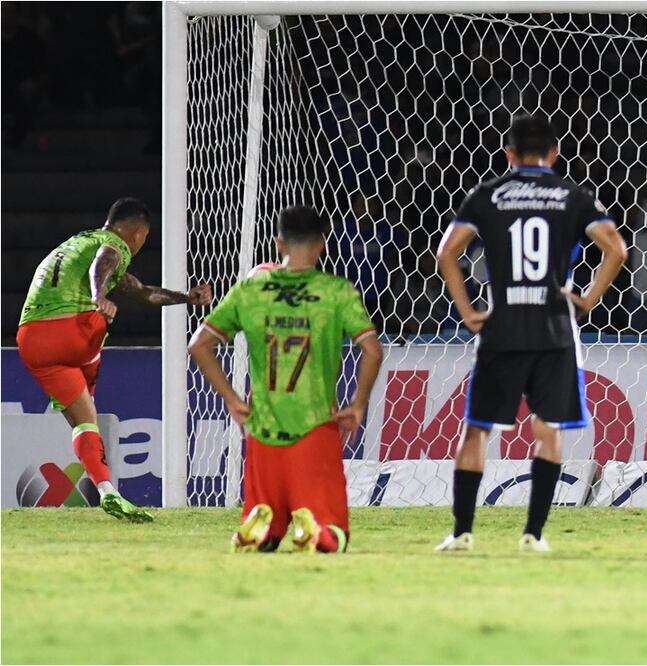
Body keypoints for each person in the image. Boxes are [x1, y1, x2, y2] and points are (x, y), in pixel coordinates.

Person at [435, 114, 627, 552]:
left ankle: (462, 532)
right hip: (553, 326)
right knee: (548, 431)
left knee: (477, 431)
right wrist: (590, 298)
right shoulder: (572, 195)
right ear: (554, 155)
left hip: (502, 325)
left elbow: (447, 252)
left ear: (510, 154)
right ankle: (532, 535)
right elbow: (616, 248)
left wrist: (467, 310)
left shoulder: (488, 194)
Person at [188, 205, 384, 554]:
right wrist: (358, 404)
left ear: (279, 244)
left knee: (267, 527)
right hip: (315, 428)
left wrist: (232, 399)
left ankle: (263, 527)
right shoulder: (335, 291)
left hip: (263, 432)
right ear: (322, 244)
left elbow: (199, 345)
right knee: (334, 536)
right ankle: (313, 529)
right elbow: (372, 350)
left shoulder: (252, 288)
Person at [16, 197, 212, 521]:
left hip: (31, 340)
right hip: (70, 330)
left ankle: (108, 492)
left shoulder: (77, 242)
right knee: (96, 332)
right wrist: (98, 296)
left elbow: (140, 291)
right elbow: (103, 263)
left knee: (85, 420)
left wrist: (185, 298)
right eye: (143, 240)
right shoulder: (113, 245)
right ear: (137, 233)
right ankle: (89, 381)